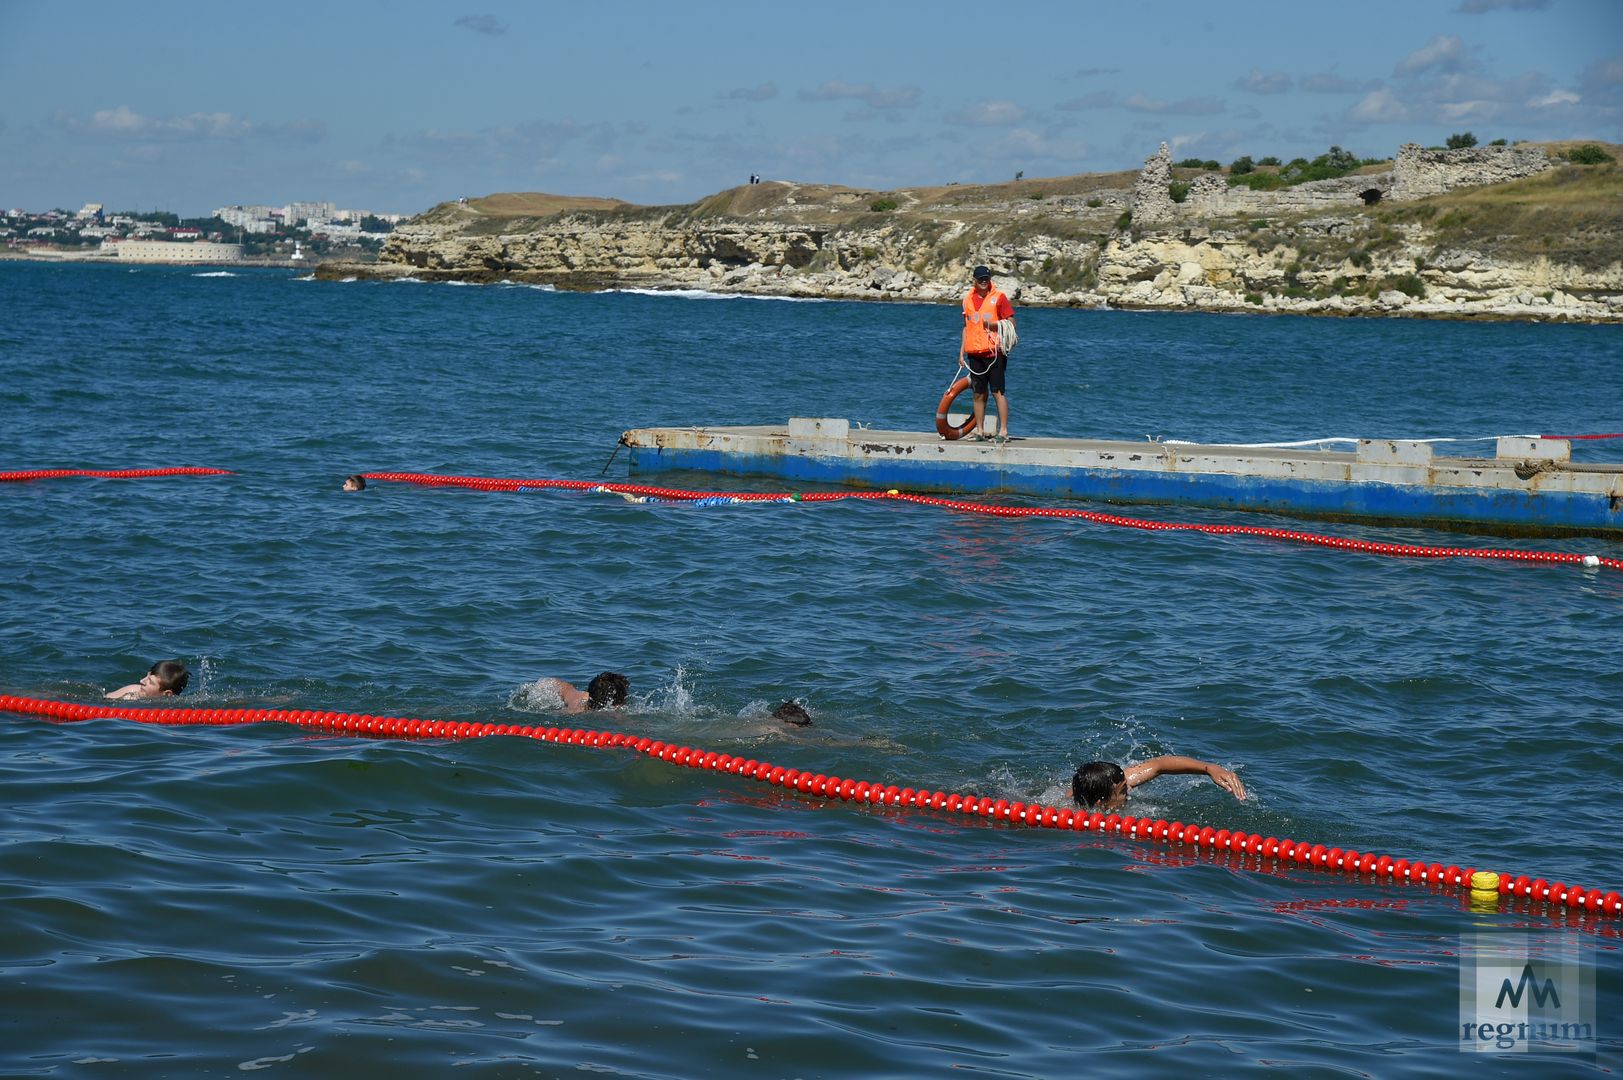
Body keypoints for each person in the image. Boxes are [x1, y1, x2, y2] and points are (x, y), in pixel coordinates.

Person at [957, 265, 1016, 443]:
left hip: (994, 352)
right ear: (974, 280)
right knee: (978, 393)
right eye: (980, 279)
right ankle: (980, 431)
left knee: (998, 392)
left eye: (986, 278)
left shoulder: (999, 298)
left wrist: (994, 326)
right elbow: (966, 327)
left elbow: (1012, 322)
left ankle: (1004, 431)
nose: (984, 281)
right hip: (974, 353)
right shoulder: (967, 299)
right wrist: (961, 353)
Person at [1071, 755, 1246, 810]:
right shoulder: (1067, 812)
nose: (1130, 789)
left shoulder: (1109, 783)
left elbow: (1159, 765)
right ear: (1101, 803)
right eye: (1123, 790)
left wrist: (1209, 768)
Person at [547, 671, 630, 714]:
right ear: (620, 700)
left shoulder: (578, 697)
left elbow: (558, 684)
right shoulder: (616, 713)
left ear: (589, 692)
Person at [106, 659, 189, 700]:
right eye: (147, 676)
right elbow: (105, 700)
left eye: (151, 682)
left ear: (167, 694)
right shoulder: (132, 692)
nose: (142, 681)